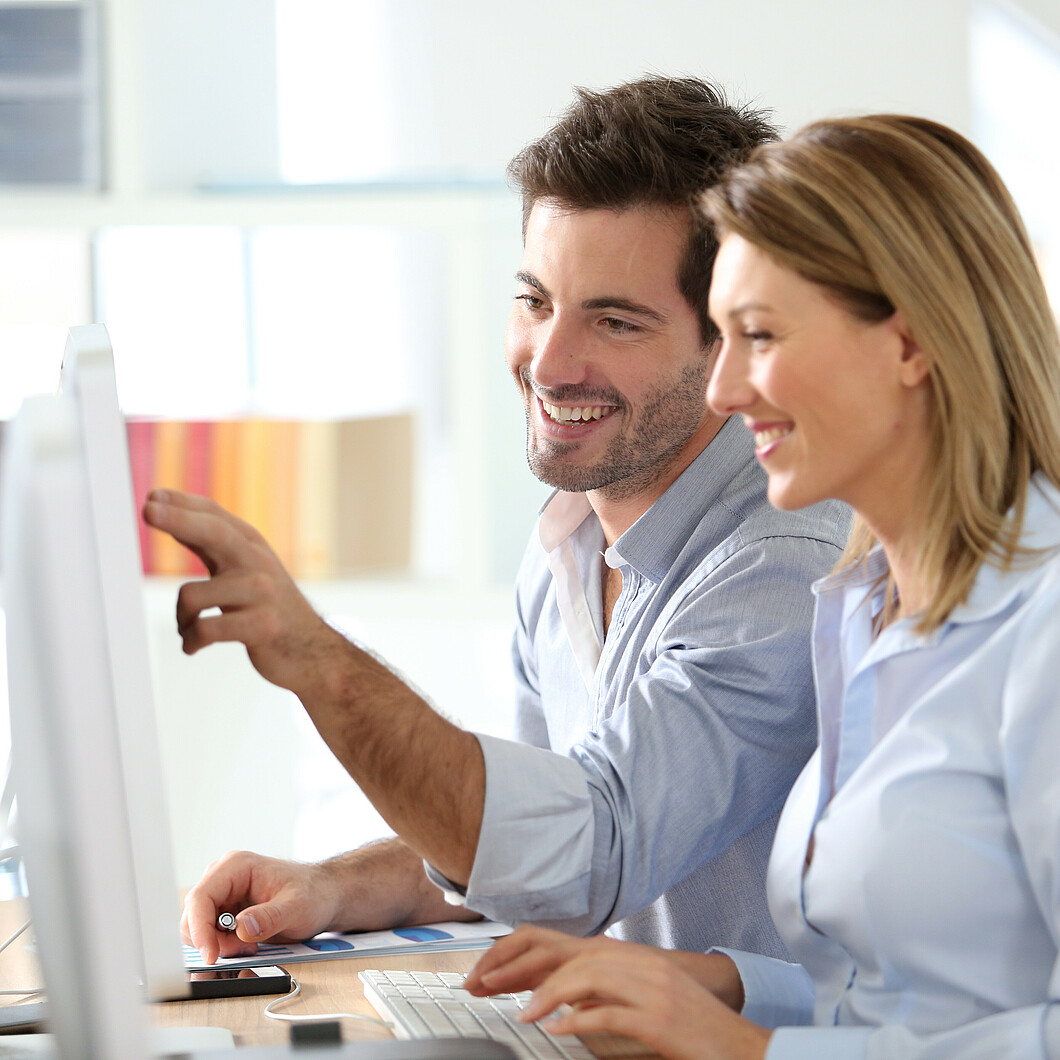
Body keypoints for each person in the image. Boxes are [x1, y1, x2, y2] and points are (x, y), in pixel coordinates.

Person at [144, 76, 848, 968]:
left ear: (728, 342)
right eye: (535, 301)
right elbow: (522, 836)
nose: (548, 363)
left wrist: (320, 663)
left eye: (616, 321)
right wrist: (337, 886)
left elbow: (582, 858)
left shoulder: (782, 569)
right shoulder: (570, 533)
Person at [465, 113, 1060, 1059]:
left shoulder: (1040, 629)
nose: (726, 389)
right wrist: (729, 988)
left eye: (761, 336)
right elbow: (892, 1000)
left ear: (910, 346)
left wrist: (749, 1049)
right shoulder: (867, 607)